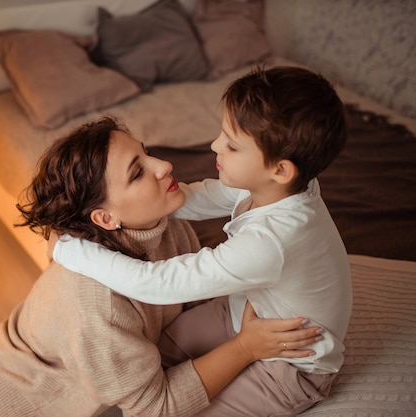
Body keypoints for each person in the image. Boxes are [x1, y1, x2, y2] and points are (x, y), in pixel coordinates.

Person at [0, 117, 323, 417]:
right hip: (21, 401)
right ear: (105, 218)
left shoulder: (163, 224)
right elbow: (156, 407)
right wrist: (245, 348)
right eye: (138, 172)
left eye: (146, 153)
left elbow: (190, 307)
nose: (164, 166)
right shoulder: (94, 308)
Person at [51, 66, 353, 415]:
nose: (214, 146)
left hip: (290, 361)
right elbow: (199, 197)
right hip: (242, 310)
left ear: (280, 169)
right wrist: (149, 200)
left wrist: (69, 249)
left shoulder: (271, 241)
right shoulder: (281, 188)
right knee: (160, 352)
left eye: (232, 145)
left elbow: (158, 283)